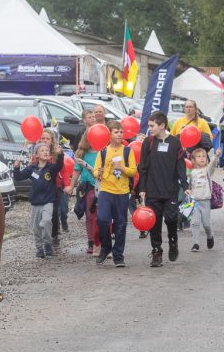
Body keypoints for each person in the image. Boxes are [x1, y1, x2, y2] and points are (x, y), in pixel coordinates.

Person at [136, 112, 188, 267]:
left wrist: (185, 185)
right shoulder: (148, 143)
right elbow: (143, 167)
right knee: (155, 222)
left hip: (170, 189)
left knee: (172, 219)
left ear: (162, 126)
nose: (149, 128)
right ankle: (157, 251)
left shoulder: (175, 143)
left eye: (152, 126)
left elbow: (181, 166)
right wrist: (142, 188)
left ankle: (173, 242)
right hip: (152, 190)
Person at [91, 120, 136, 267]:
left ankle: (118, 255)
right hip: (106, 190)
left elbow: (133, 171)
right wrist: (99, 172)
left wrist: (122, 168)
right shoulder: (103, 152)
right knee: (103, 220)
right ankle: (105, 247)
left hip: (122, 192)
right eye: (116, 132)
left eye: (121, 132)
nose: (119, 134)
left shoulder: (128, 151)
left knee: (120, 224)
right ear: (108, 134)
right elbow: (95, 171)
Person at [13, 144, 62, 258]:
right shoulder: (32, 168)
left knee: (46, 222)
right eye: (42, 150)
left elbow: (59, 166)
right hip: (35, 203)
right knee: (36, 227)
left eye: (47, 150)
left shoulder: (51, 168)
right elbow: (19, 177)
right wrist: (16, 167)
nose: (45, 152)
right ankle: (39, 248)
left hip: (48, 201)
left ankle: (48, 244)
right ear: (36, 155)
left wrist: (60, 154)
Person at [72, 117, 100, 255]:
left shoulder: (104, 151)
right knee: (89, 215)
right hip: (88, 186)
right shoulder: (82, 153)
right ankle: (91, 240)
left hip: (103, 186)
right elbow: (76, 170)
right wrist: (71, 186)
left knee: (101, 216)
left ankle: (101, 239)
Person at [186, 147, 216, 251]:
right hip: (195, 201)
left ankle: (209, 236)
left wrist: (215, 157)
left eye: (204, 156)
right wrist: (188, 190)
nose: (202, 158)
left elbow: (212, 166)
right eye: (199, 157)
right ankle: (195, 243)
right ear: (193, 160)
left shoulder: (207, 171)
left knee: (206, 224)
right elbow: (188, 184)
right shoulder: (191, 172)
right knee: (194, 222)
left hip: (205, 201)